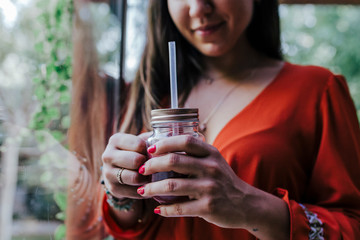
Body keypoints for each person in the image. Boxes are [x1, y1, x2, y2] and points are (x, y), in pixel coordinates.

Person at [66, 0, 360, 239]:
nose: (198, 8)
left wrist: (250, 207)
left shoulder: (317, 90)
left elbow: (352, 225)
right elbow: (132, 225)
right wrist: (120, 191)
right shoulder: (144, 96)